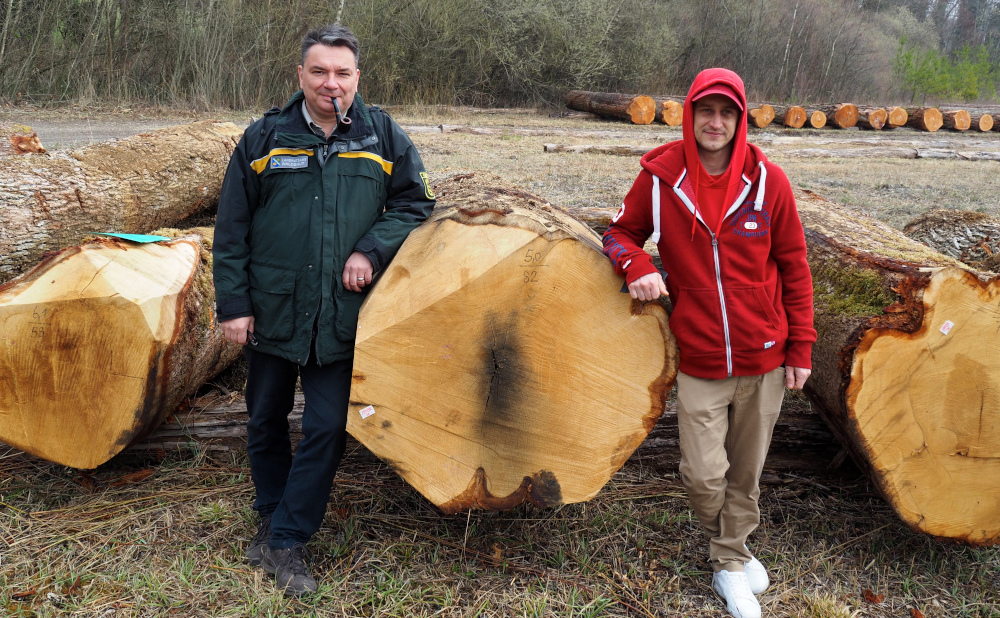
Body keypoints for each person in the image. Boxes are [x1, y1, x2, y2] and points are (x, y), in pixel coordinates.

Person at [212, 24, 436, 597]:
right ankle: (271, 511)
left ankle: (287, 539)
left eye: (342, 73)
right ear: (301, 76)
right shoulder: (264, 138)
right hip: (273, 308)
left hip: (341, 314)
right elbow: (232, 229)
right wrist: (234, 304)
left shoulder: (382, 136)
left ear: (357, 78)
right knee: (264, 419)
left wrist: (370, 248)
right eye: (319, 72)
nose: (330, 83)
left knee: (326, 428)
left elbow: (415, 202)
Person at [602, 68, 815, 618]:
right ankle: (736, 554)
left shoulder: (769, 181)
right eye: (706, 111)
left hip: (764, 355)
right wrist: (636, 263)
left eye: (727, 113)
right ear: (690, 114)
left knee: (746, 471)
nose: (715, 122)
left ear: (740, 119)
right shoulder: (660, 178)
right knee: (702, 474)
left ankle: (730, 562)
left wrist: (802, 347)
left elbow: (794, 267)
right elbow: (619, 232)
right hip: (699, 357)